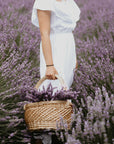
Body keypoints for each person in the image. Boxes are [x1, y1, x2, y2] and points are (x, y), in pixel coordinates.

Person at [31, 0, 81, 143]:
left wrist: (74, 57)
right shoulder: (44, 1)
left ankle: (61, 134)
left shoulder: (68, 1)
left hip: (68, 48)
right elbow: (44, 34)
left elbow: (69, 30)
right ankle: (45, 136)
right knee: (51, 90)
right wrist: (50, 65)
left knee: (64, 91)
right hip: (54, 49)